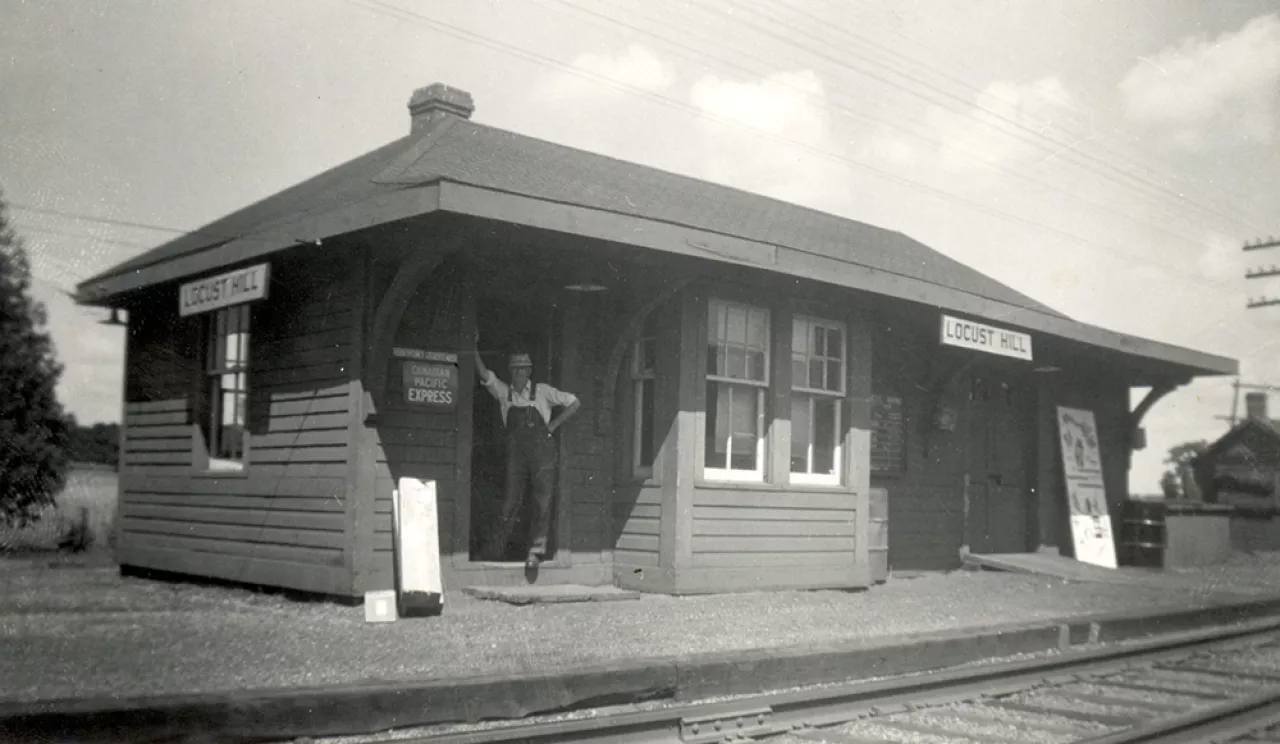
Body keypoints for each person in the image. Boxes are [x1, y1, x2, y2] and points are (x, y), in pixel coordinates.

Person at [473, 332, 581, 569]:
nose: (519, 374)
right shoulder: (505, 393)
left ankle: (536, 552)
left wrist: (553, 425)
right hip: (517, 455)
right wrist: (472, 348)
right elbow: (484, 375)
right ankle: (494, 550)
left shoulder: (542, 392)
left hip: (542, 454)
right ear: (510, 372)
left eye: (523, 369)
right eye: (515, 370)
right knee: (510, 501)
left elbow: (574, 402)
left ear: (529, 371)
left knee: (542, 500)